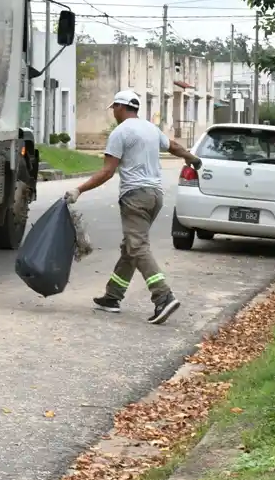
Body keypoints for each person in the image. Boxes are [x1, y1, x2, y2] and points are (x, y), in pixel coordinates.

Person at [64, 90, 202, 325]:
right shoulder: (150, 128)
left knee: (137, 246)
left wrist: (79, 190)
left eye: (114, 108)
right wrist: (191, 158)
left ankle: (163, 296)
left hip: (135, 197)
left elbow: (107, 171)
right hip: (155, 196)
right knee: (130, 246)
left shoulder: (120, 132)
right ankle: (112, 296)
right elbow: (172, 145)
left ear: (120, 107)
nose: (113, 113)